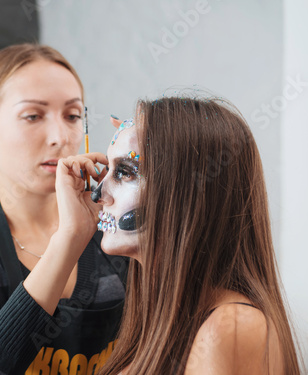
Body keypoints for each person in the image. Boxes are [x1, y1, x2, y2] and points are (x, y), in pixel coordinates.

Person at [0, 43, 127, 375]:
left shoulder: (118, 234)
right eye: (32, 115)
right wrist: (69, 240)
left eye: (72, 116)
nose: (59, 137)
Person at [58, 96, 301, 374]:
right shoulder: (155, 321)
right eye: (107, 171)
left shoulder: (229, 326)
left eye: (124, 172)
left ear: (187, 192)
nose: (98, 193)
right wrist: (69, 235)